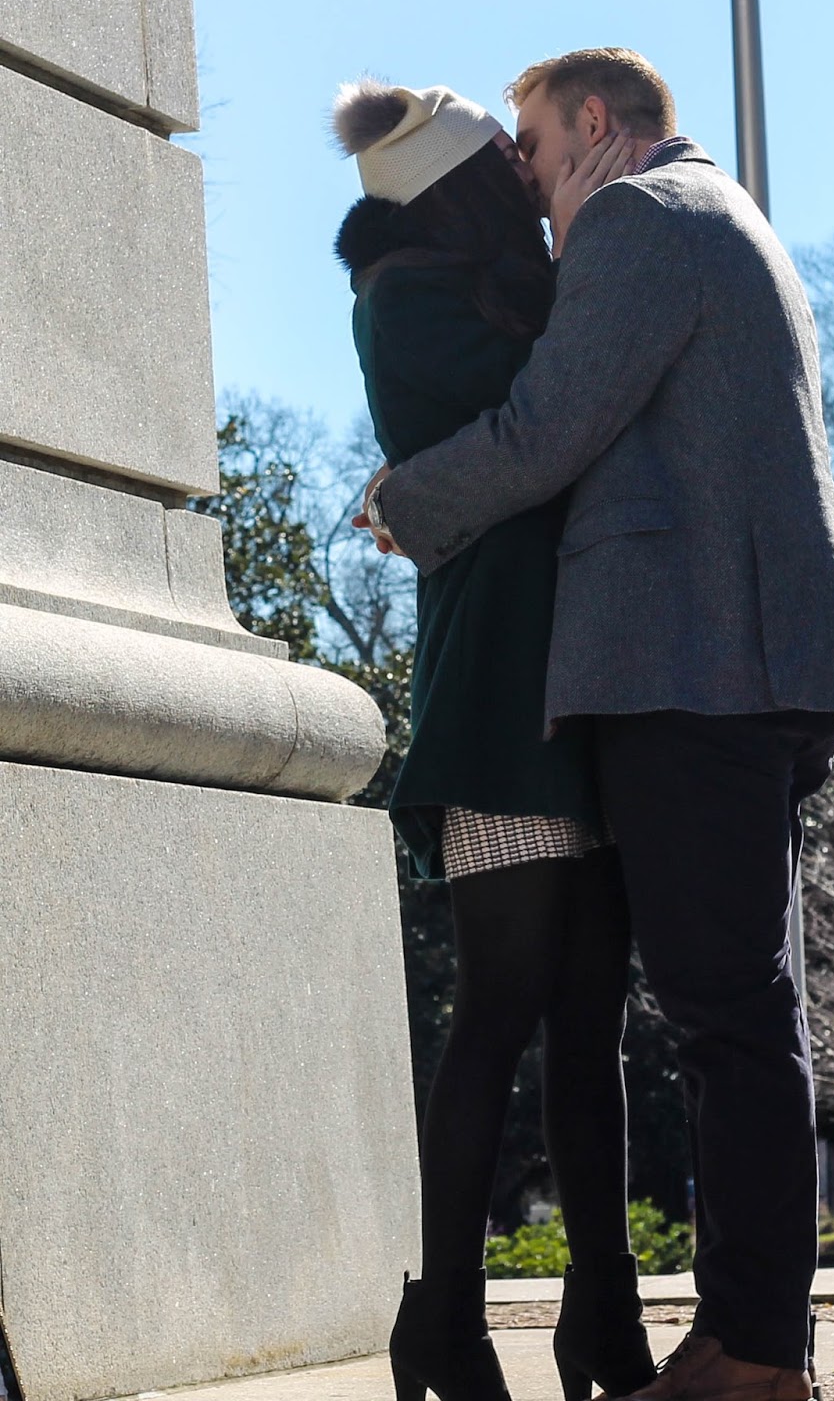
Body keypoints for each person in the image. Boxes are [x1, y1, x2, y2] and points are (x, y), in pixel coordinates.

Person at [360, 48, 834, 1401]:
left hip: (696, 665)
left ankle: (752, 1353)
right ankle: (740, 1340)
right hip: (713, 662)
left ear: (595, 126)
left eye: (531, 146)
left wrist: (405, 498)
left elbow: (546, 428)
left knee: (728, 1020)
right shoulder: (717, 212)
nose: (528, 185)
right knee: (729, 1015)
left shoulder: (644, 219)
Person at [332, 79, 653, 1401]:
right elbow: (546, 418)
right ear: (466, 183)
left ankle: (605, 1314)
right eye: (508, 168)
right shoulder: (407, 296)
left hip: (583, 684)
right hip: (498, 692)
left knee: (592, 1028)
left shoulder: (514, 280)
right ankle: (447, 1322)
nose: (531, 182)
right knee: (500, 1011)